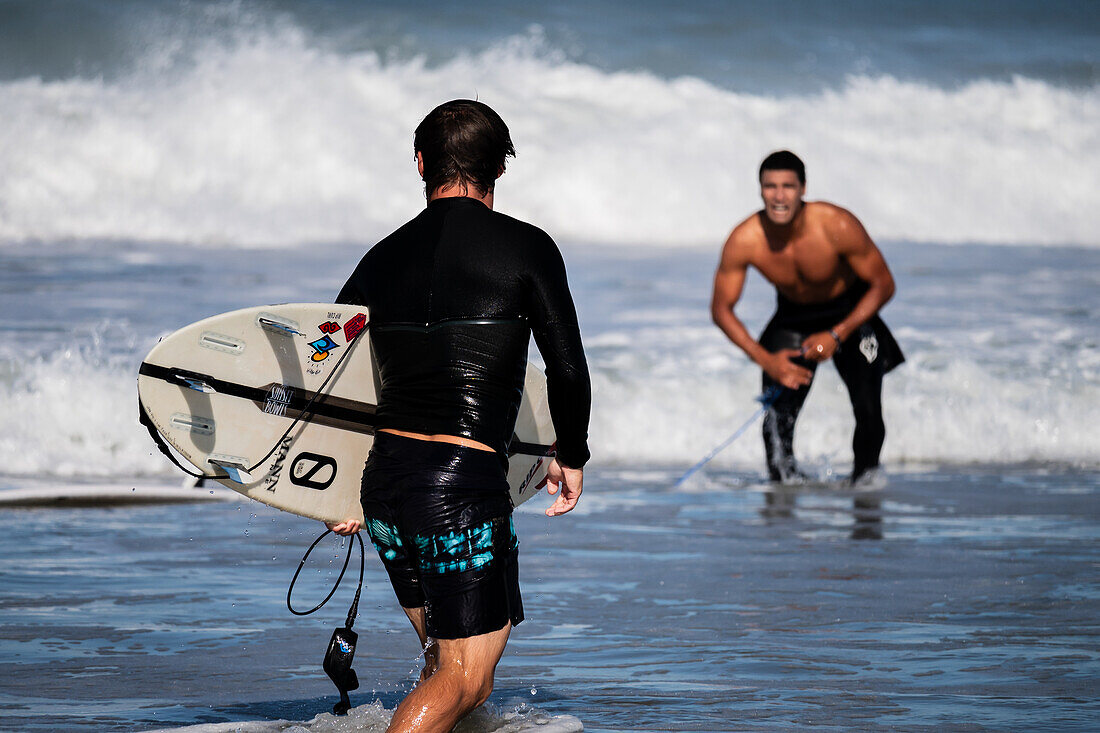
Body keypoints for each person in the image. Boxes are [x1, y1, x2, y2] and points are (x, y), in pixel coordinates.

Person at [325, 100, 591, 733]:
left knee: (447, 666)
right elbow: (568, 370)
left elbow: (331, 367)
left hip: (385, 486)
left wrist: (339, 486)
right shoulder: (527, 248)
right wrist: (571, 454)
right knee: (463, 679)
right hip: (461, 488)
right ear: (500, 167)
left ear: (420, 164)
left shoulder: (379, 259)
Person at [711, 150, 903, 485]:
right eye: (771, 186)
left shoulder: (836, 224)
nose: (779, 196)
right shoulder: (746, 239)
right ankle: (786, 506)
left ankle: (865, 492)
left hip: (849, 315)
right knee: (776, 426)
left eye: (788, 186)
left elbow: (884, 285)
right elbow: (721, 309)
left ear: (803, 189)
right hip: (793, 317)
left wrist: (837, 335)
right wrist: (767, 360)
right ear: (760, 190)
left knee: (869, 412)